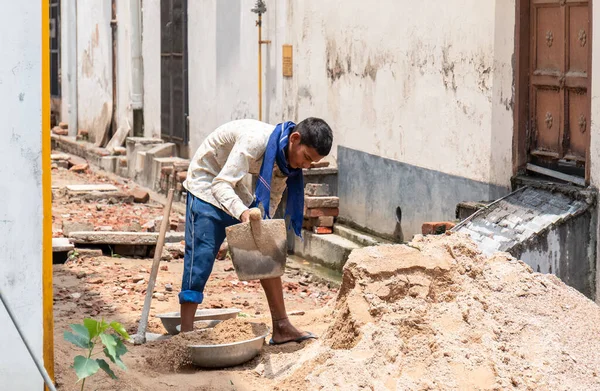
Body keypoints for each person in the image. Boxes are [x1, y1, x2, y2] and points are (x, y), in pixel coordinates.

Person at [180, 117, 333, 344]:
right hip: (207, 180)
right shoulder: (254, 140)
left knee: (267, 249)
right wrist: (243, 214)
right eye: (307, 158)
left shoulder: (284, 161)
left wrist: (261, 230)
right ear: (295, 138)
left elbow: (270, 199)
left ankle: (281, 326)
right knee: (201, 256)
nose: (306, 167)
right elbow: (220, 185)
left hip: (233, 186)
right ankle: (185, 334)